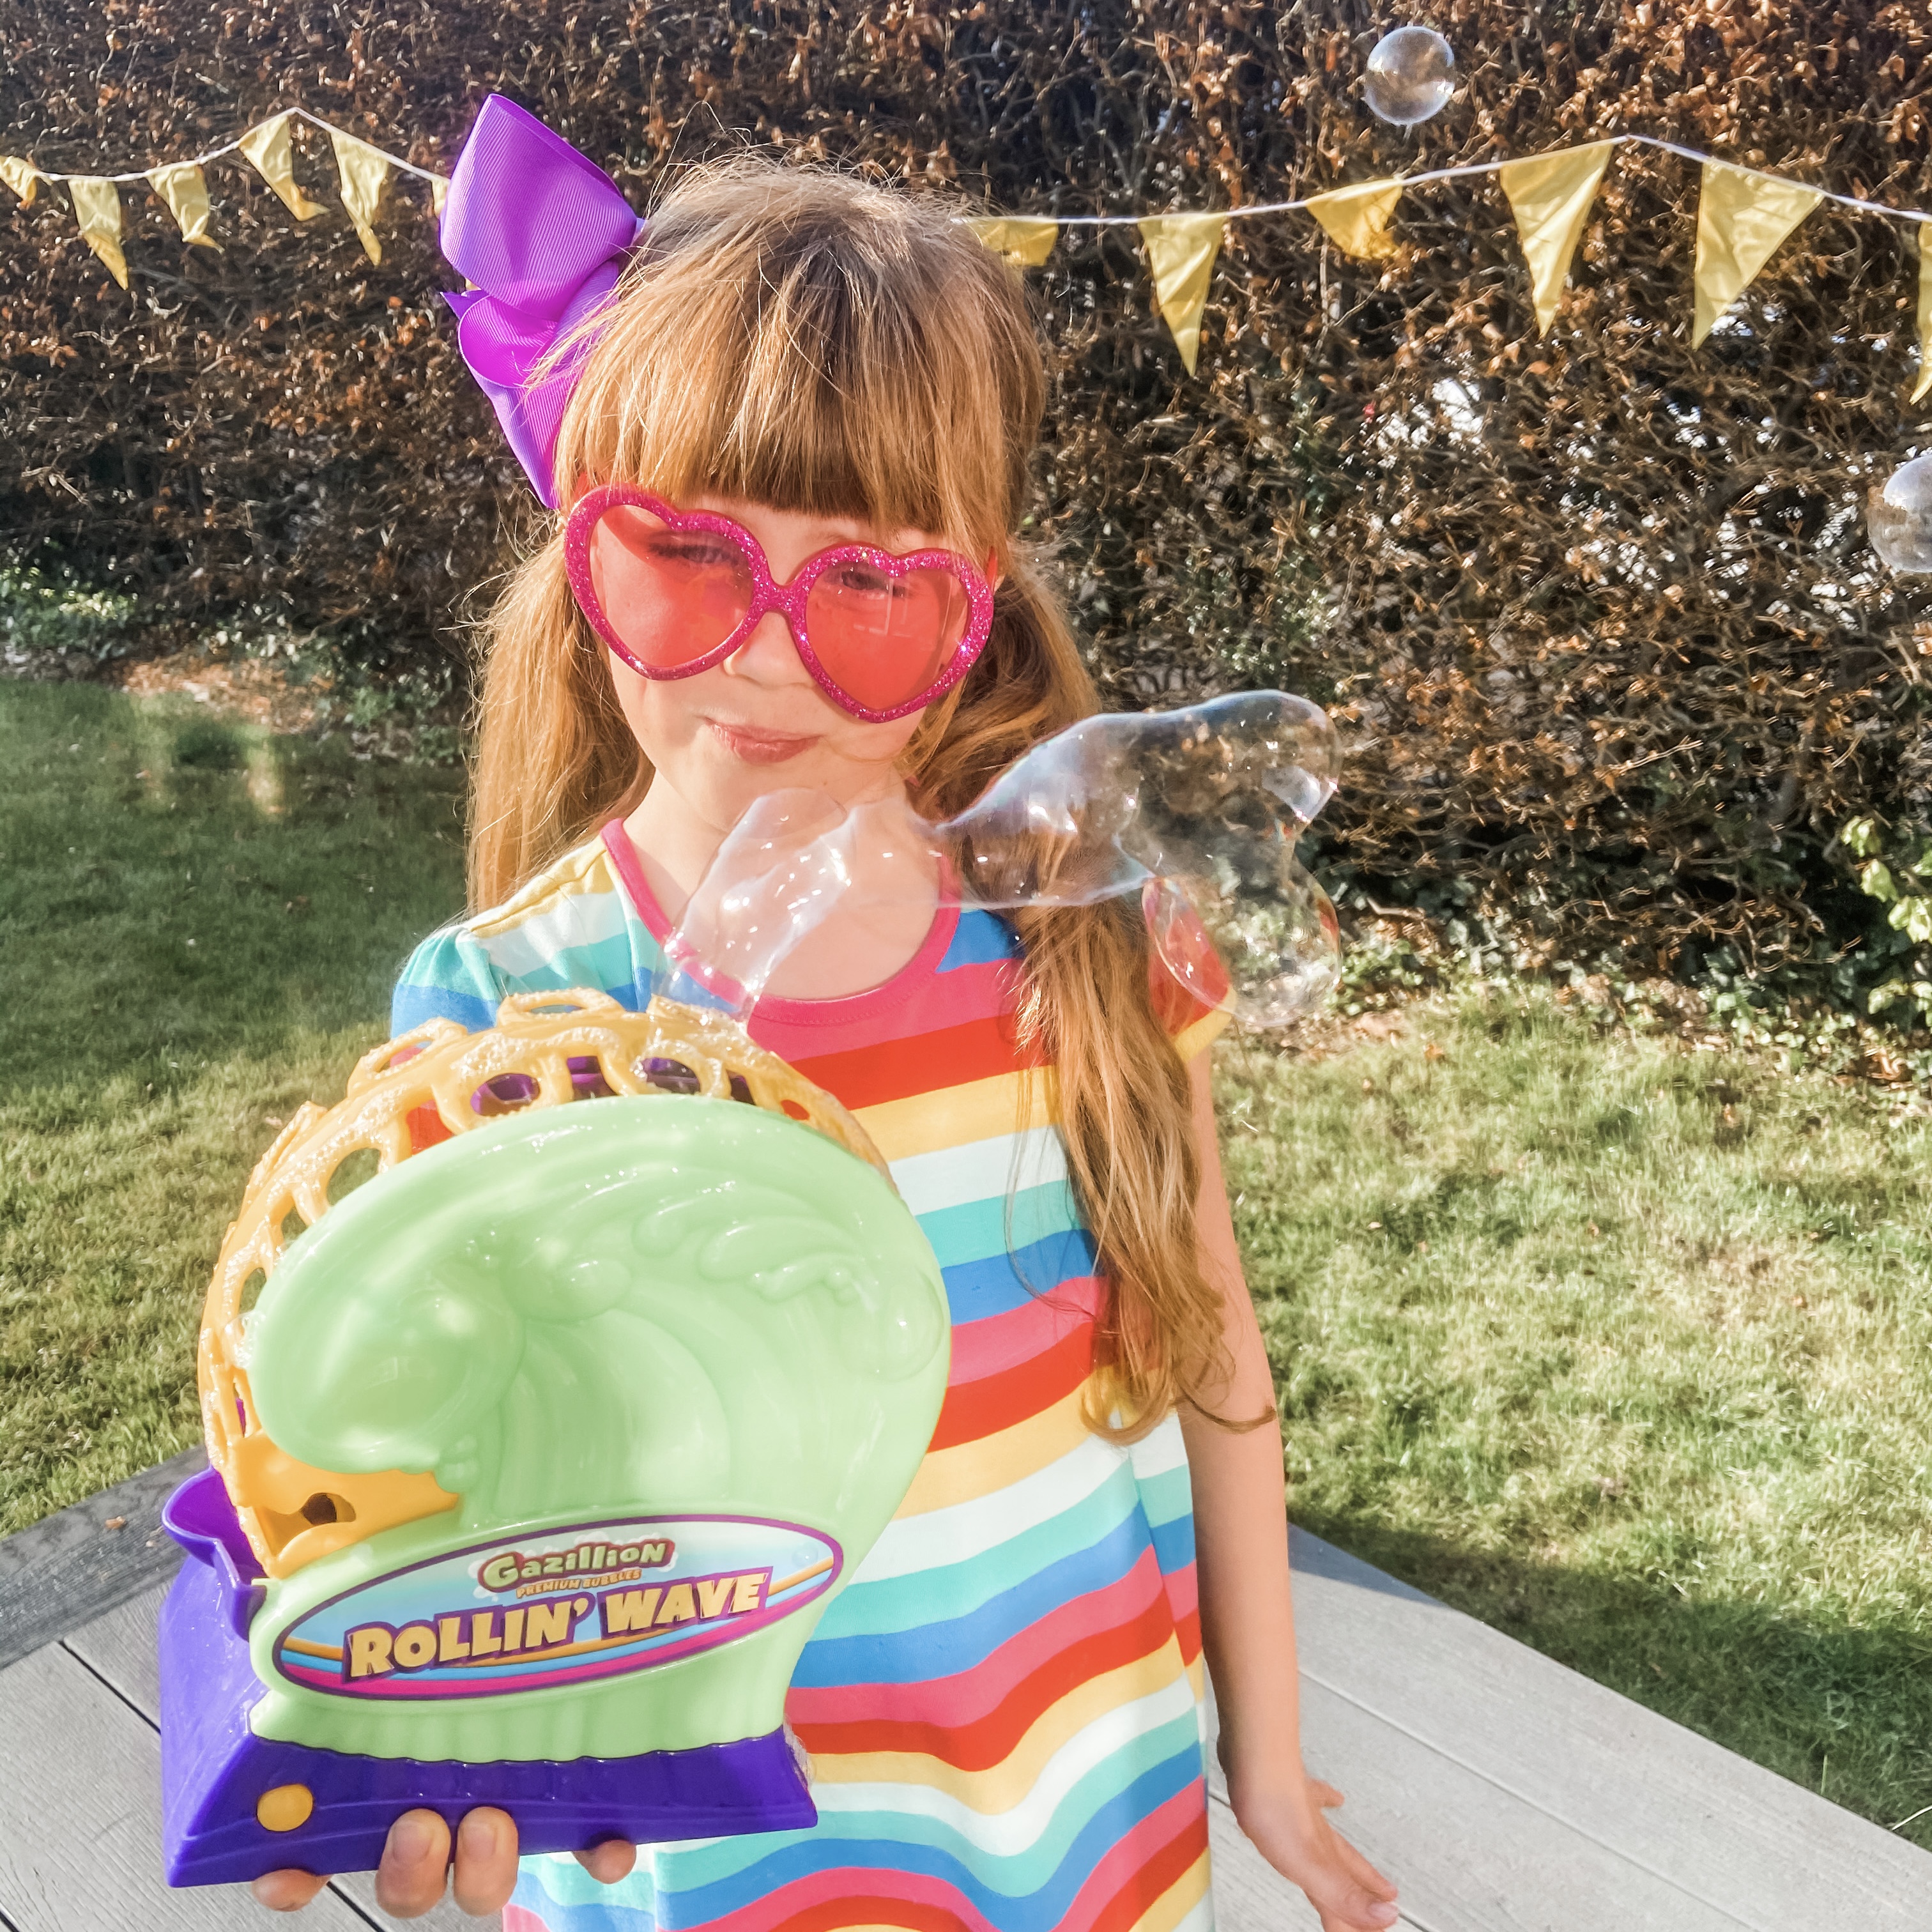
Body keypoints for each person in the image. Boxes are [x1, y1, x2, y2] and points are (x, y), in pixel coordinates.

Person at [256, 103, 1399, 1932]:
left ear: (967, 616)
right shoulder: (508, 1009)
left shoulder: (1082, 940)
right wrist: (421, 1726)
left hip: (1075, 1791)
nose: (767, 646)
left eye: (863, 582)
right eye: (685, 553)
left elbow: (1215, 1348)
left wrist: (1262, 1752)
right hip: (714, 1847)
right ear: (581, 551)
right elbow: (443, 1455)